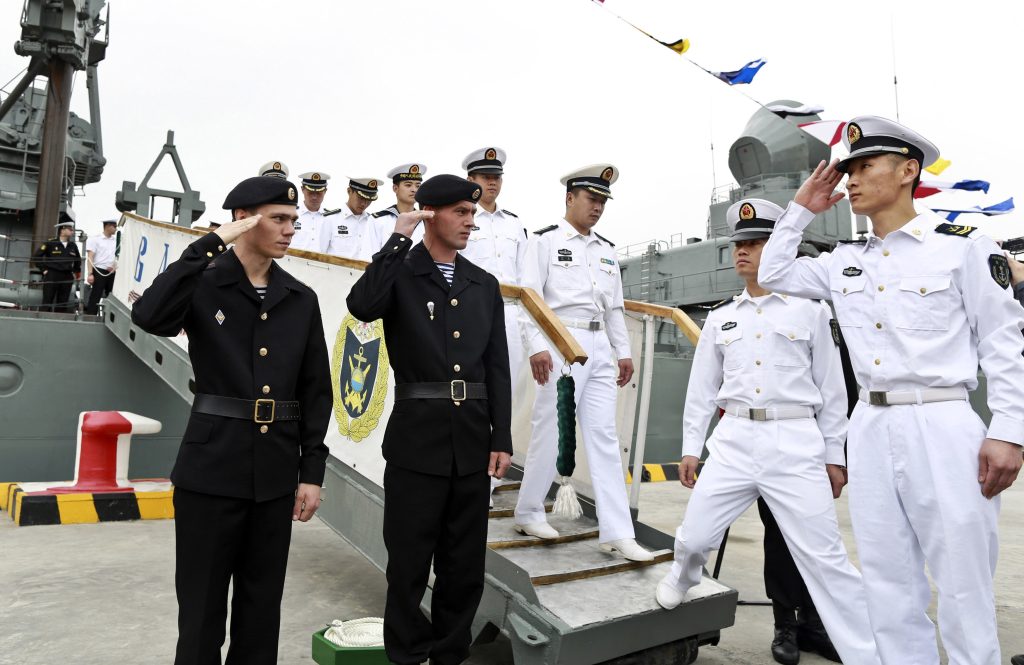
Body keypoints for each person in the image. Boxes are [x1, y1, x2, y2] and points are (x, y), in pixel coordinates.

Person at [758, 116, 1024, 665]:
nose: (850, 179)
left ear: (908, 171)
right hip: (872, 427)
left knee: (961, 583)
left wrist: (1010, 431)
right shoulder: (843, 262)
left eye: (863, 166)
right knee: (886, 583)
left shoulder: (964, 247)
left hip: (943, 422)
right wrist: (803, 207)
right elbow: (774, 271)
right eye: (846, 169)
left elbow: (1003, 341)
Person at [654, 198, 878, 664]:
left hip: (795, 442)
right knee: (694, 538)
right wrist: (691, 448)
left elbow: (833, 392)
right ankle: (683, 575)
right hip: (734, 440)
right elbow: (702, 392)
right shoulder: (720, 317)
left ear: (780, 249)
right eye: (739, 244)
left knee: (826, 558)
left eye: (755, 243)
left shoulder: (811, 311)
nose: (742, 252)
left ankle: (870, 650)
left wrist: (835, 454)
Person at [131, 175, 333, 665]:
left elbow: (315, 391)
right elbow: (152, 316)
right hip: (211, 470)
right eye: (279, 219)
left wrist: (311, 472)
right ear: (244, 220)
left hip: (275, 472)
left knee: (261, 611)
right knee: (200, 612)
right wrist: (210, 243)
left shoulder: (299, 298)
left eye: (293, 221)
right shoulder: (204, 281)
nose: (290, 230)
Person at [346, 174, 512, 665]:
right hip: (417, 442)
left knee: (464, 567)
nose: (469, 222)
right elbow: (361, 305)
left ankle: (449, 653)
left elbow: (497, 367)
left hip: (471, 439)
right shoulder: (400, 272)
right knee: (409, 563)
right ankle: (406, 652)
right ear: (429, 214)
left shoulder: (482, 284)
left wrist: (499, 436)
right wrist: (398, 238)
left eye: (473, 214)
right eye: (461, 212)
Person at [513, 164, 651, 562]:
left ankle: (617, 532)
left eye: (603, 201)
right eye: (592, 199)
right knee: (550, 429)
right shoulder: (543, 243)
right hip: (560, 342)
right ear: (570, 197)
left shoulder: (607, 251)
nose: (598, 208)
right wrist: (537, 346)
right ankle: (529, 510)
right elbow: (529, 299)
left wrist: (622, 352)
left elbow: (614, 310)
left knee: (605, 439)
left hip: (599, 348)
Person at [459, 147, 527, 382]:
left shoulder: (514, 223)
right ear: (470, 180)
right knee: (472, 384)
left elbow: (525, 275)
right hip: (471, 310)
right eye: (486, 177)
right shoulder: (459, 219)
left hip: (511, 314)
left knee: (509, 387)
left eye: (496, 177)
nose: (492, 183)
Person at [323, 177, 382, 260]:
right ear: (349, 191)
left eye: (369, 199)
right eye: (361, 198)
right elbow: (319, 254)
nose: (364, 203)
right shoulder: (330, 220)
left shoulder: (373, 222)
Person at [372, 162, 427, 246]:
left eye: (418, 186)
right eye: (408, 185)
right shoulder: (378, 220)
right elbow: (367, 256)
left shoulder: (425, 222)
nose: (414, 190)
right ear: (395, 188)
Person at [34, 217, 81, 313]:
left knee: (63, 302)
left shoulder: (73, 245)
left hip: (67, 276)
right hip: (52, 274)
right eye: (70, 229)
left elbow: (78, 260)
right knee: (47, 300)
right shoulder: (50, 243)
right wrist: (44, 270)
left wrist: (75, 272)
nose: (72, 231)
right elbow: (37, 256)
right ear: (62, 230)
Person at [292, 171, 333, 252]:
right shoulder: (291, 214)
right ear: (302, 189)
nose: (314, 197)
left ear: (325, 191)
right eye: (310, 192)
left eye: (318, 193)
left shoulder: (332, 218)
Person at [84, 219, 117, 315]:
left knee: (112, 296)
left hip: (112, 271)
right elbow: (90, 257)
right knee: (96, 294)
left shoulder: (117, 240)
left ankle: (109, 316)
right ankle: (91, 315)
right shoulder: (95, 239)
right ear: (107, 226)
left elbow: (119, 256)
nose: (116, 228)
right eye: (114, 226)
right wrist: (90, 274)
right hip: (99, 270)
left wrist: (115, 267)